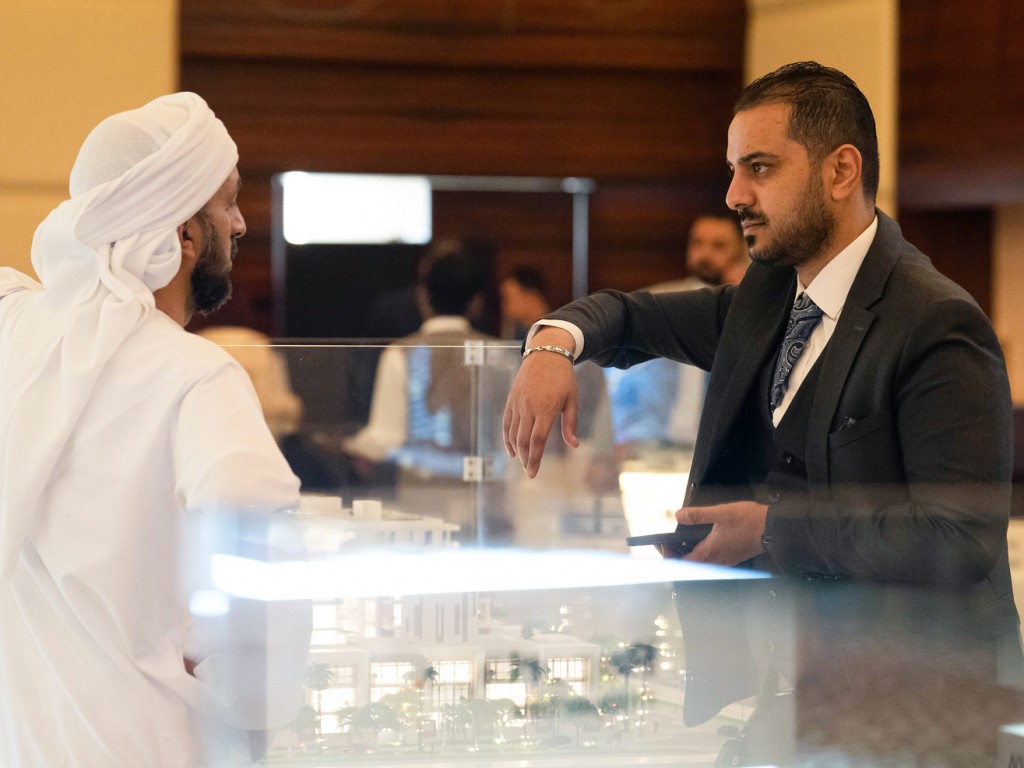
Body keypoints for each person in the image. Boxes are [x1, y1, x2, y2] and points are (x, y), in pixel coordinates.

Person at [503, 62, 1023, 758]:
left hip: (926, 714)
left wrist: (772, 529)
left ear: (841, 171)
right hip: (804, 699)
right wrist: (552, 344)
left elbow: (957, 538)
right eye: (733, 169)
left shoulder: (936, 322)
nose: (734, 195)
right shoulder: (769, 298)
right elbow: (631, 316)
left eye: (760, 168)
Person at [0, 94, 311, 766]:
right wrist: (254, 711)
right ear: (183, 236)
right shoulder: (197, 375)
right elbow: (260, 560)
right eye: (228, 203)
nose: (241, 224)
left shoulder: (18, 342)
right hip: (156, 744)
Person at [606, 213, 749, 455]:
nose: (705, 254)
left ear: (742, 251)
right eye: (698, 243)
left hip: (724, 449)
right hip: (652, 443)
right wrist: (611, 441)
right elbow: (618, 376)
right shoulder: (659, 301)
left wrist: (748, 292)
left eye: (719, 246)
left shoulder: (752, 307)